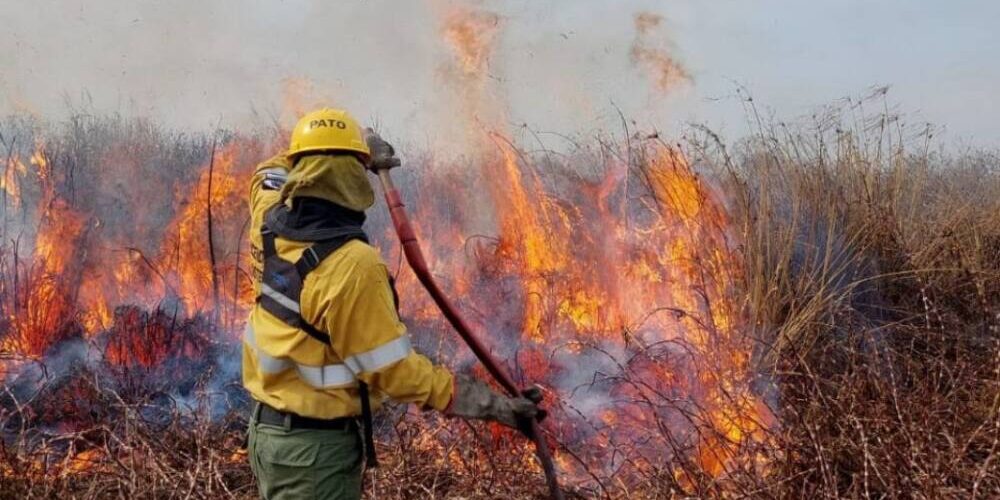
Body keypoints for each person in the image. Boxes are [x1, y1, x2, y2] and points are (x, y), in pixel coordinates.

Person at [242, 108, 541, 499]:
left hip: (267, 436)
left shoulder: (266, 219)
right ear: (353, 176)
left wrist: (331, 145)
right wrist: (496, 406)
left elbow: (268, 171)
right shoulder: (353, 265)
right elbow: (396, 372)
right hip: (315, 455)